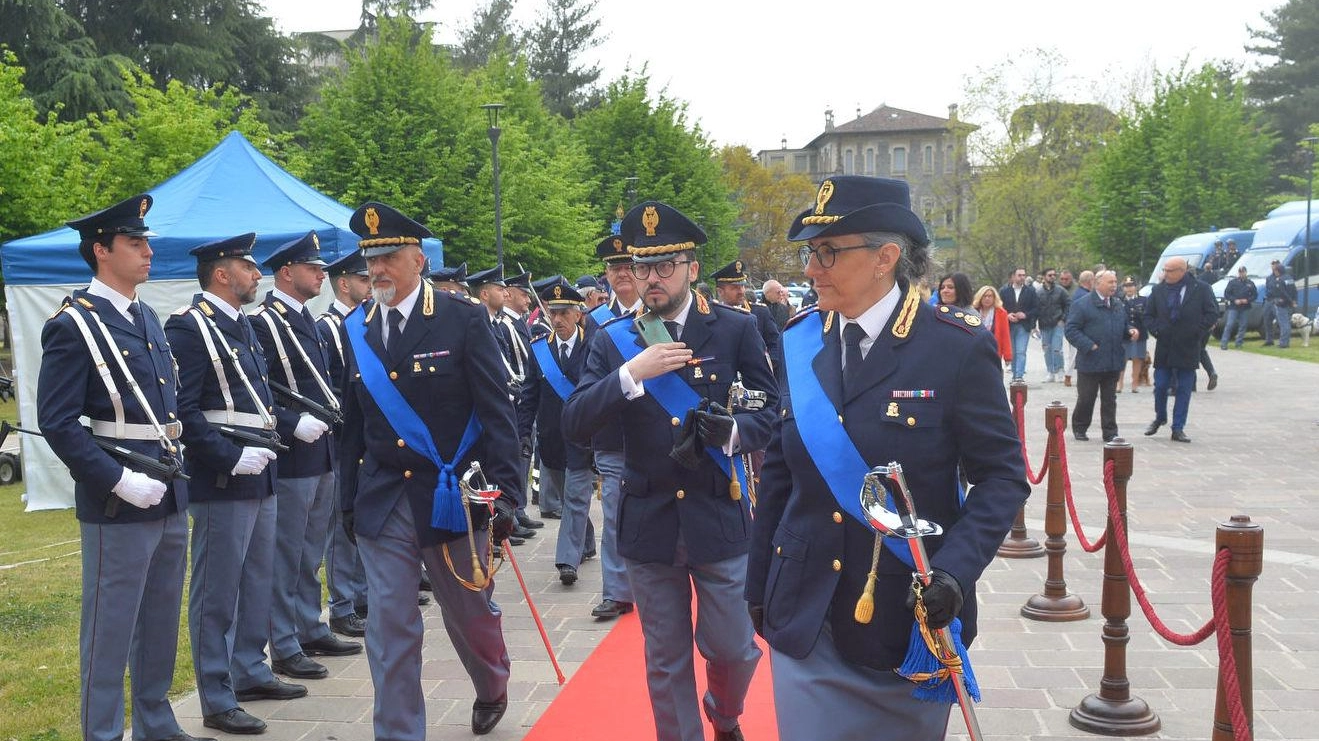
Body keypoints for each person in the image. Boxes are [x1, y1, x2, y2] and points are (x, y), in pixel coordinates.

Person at [747, 176, 1029, 740]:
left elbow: (1002, 477)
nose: (811, 269)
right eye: (810, 253)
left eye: (828, 252)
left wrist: (954, 571)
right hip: (808, 616)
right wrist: (758, 588)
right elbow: (777, 473)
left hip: (909, 620)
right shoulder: (799, 339)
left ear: (886, 257)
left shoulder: (955, 344)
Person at [563, 201, 777, 741]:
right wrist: (629, 375)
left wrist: (732, 433)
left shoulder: (732, 329)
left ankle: (724, 713)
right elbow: (575, 420)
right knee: (664, 658)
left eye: (664, 266)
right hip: (649, 517)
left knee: (734, 648)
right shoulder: (613, 339)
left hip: (717, 507)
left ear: (692, 268)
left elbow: (770, 411)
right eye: (641, 268)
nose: (651, 279)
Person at [338, 201, 522, 738]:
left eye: (389, 257)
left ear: (417, 259)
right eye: (370, 260)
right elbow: (353, 427)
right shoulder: (357, 329)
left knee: (469, 613)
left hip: (452, 497)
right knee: (391, 624)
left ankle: (492, 682)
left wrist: (507, 492)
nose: (377, 271)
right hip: (385, 497)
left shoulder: (461, 319)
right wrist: (347, 501)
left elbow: (497, 413)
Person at [38, 195, 209, 741]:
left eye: (147, 242)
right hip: (119, 493)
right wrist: (115, 479)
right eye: (134, 244)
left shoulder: (147, 316)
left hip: (166, 485)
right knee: (110, 628)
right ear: (101, 250)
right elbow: (59, 422)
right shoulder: (74, 325)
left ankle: (155, 721)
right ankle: (104, 732)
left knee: (159, 619)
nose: (147, 252)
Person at [166, 234, 301, 735]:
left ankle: (249, 669)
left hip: (260, 468)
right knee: (217, 591)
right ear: (222, 273)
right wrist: (228, 456)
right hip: (223, 475)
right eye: (248, 266)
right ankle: (216, 695)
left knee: (256, 579)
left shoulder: (239, 325)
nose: (256, 274)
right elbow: (183, 409)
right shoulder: (190, 326)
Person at [251, 232, 361, 680]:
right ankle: (283, 641)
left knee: (310, 550)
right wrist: (292, 423)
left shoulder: (308, 322)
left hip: (324, 453)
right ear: (285, 272)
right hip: (294, 455)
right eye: (312, 268)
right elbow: (257, 394)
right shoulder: (265, 322)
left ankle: (308, 625)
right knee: (288, 552)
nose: (322, 274)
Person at [581, 233, 641, 620]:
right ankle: (617, 590)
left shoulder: (660, 313)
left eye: (627, 267)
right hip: (614, 435)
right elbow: (585, 383)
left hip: (660, 433)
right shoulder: (596, 322)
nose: (621, 274)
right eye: (614, 268)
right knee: (615, 515)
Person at [315, 251, 376, 635]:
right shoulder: (328, 326)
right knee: (340, 526)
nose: (369, 286)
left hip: (368, 439)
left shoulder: (364, 321)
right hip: (341, 439)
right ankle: (342, 603)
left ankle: (362, 594)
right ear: (344, 283)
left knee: (363, 520)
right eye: (363, 280)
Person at [521, 278, 596, 586]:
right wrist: (523, 432)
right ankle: (587, 541)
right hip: (551, 441)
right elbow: (529, 395)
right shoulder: (539, 350)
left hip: (583, 439)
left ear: (578, 314)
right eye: (554, 313)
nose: (558, 319)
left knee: (576, 498)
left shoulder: (593, 345)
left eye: (565, 312)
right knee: (570, 501)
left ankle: (568, 560)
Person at [470, 264, 540, 541]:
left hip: (509, 397)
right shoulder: (487, 325)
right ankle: (496, 524)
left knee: (512, 456)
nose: (505, 293)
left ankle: (509, 511)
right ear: (485, 293)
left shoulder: (498, 325)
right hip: (494, 401)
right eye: (500, 289)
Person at [1143, 256, 1218, 443]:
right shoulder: (1158, 290)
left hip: (1189, 345)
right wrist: (1156, 330)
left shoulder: (1200, 289)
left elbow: (1212, 313)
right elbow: (1148, 315)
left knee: (1184, 389)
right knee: (1160, 386)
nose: (1165, 274)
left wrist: (1197, 332)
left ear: (1181, 271)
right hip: (1165, 345)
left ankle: (1178, 428)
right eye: (1165, 270)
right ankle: (1160, 416)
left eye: (1169, 271)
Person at [1065, 271, 1137, 442]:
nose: (1114, 285)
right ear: (1098, 284)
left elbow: (1123, 324)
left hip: (1112, 360)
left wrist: (1130, 331)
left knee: (1110, 400)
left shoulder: (1117, 304)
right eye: (1110, 282)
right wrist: (1088, 345)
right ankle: (1080, 427)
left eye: (1115, 282)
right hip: (1091, 360)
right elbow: (1071, 330)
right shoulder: (1082, 305)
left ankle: (1110, 432)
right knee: (1086, 398)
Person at [710, 258, 784, 379]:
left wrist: (767, 367)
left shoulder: (759, 312)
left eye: (742, 286)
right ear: (720, 291)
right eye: (735, 287)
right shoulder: (711, 316)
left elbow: (774, 344)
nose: (741, 291)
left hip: (755, 380)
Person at [998, 266, 1038, 381]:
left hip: (1023, 325)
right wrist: (1007, 315)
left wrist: (1025, 315)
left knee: (1021, 351)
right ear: (1013, 276)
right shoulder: (1004, 291)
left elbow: (1036, 308)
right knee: (1012, 352)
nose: (1022, 278)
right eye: (1019, 275)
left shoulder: (1030, 291)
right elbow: (999, 307)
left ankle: (1019, 376)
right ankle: (1015, 374)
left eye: (1023, 275)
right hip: (1008, 325)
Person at [1034, 268, 1071, 383]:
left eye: (1054, 275)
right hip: (1044, 324)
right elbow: (1035, 309)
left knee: (1057, 348)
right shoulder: (1038, 292)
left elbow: (1068, 304)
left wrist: (1063, 319)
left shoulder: (1061, 291)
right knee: (1047, 348)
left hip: (1057, 323)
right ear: (1044, 277)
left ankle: (1060, 369)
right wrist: (1033, 326)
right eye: (1050, 275)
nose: (1052, 277)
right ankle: (1050, 371)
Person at [1061, 270, 1093, 386]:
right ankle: (1068, 376)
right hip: (1078, 329)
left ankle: (1069, 375)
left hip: (1073, 327)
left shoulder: (1078, 292)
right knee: (1074, 354)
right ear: (1090, 281)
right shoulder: (1084, 295)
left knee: (1073, 354)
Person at [1119, 277, 1148, 392]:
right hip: (1124, 334)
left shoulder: (1143, 300)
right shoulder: (1118, 300)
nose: (1129, 288)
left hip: (1140, 333)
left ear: (1136, 287)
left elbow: (1147, 316)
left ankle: (1134, 383)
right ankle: (1119, 382)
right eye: (1126, 286)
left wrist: (1140, 313)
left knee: (1138, 358)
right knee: (1122, 358)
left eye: (1131, 285)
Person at [973, 285, 1012, 368]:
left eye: (990, 296)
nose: (987, 298)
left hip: (994, 350)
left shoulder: (1001, 313)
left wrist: (1007, 356)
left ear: (994, 298)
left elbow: (1005, 335)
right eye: (984, 296)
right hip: (976, 349)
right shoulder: (972, 311)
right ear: (980, 297)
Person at [1220, 265, 1257, 350]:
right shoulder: (1233, 282)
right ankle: (1224, 343)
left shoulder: (1250, 283)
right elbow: (1227, 294)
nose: (1241, 274)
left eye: (1243, 272)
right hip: (1234, 307)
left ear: (1245, 272)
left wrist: (1247, 300)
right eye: (1240, 272)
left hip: (1245, 307)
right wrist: (1234, 300)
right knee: (1230, 324)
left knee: (1243, 325)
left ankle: (1239, 343)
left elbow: (1254, 295)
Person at [1264, 259, 1298, 348]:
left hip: (1281, 303)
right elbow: (1294, 290)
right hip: (1279, 302)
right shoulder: (1289, 278)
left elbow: (1283, 293)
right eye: (1273, 264)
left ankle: (1284, 343)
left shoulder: (1280, 279)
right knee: (1283, 322)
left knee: (1283, 323)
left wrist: (1291, 301)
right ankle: (1277, 341)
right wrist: (1293, 301)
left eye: (1276, 265)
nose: (1274, 267)